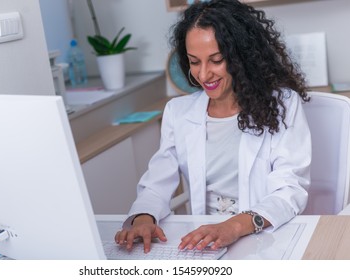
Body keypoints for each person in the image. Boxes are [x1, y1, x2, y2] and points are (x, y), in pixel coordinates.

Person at [115, 0, 311, 253]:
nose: (204, 75)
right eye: (194, 62)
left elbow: (290, 188)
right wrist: (143, 218)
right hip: (203, 244)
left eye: (216, 60)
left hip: (264, 238)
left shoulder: (282, 105)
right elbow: (157, 183)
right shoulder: (179, 112)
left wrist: (233, 226)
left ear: (242, 57)